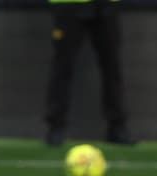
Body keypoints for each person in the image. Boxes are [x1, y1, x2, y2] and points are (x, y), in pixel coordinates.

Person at [44, 0, 136, 148]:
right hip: (69, 4)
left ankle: (117, 127)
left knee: (112, 67)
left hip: (106, 4)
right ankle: (55, 126)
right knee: (62, 67)